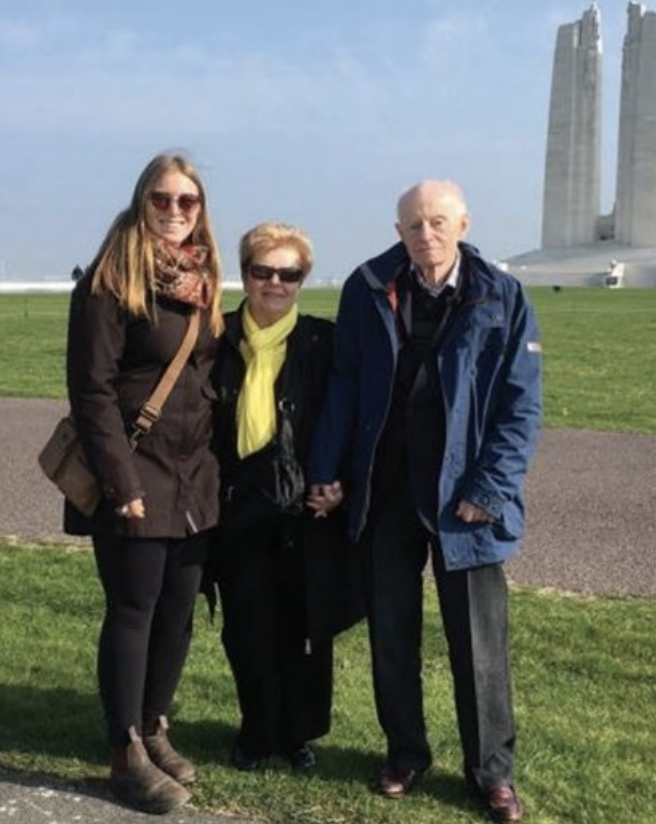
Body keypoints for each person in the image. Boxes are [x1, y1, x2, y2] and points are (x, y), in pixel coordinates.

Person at [308, 180, 542, 822]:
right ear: (398, 230)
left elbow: (520, 407)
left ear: (463, 224)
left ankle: (491, 773)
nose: (425, 236)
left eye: (438, 222)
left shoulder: (501, 294)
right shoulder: (368, 288)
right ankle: (405, 752)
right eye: (413, 225)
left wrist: (487, 490)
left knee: (480, 646)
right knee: (392, 634)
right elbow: (345, 384)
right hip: (386, 493)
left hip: (464, 500)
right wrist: (327, 470)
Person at [65, 153, 223, 814]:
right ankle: (125, 751)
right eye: (162, 200)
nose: (175, 213)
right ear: (141, 202)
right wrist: (119, 478)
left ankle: (156, 724)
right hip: (134, 467)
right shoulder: (109, 282)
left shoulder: (202, 279)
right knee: (134, 609)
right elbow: (91, 391)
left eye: (188, 202)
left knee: (179, 612)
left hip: (194, 475)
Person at [209, 221, 362, 773]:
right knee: (247, 627)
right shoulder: (217, 337)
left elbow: (350, 419)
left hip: (304, 509)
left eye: (288, 273)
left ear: (302, 278)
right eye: (263, 271)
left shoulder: (324, 340)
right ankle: (256, 732)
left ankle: (298, 733)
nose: (275, 282)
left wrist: (339, 480)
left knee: (302, 629)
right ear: (245, 274)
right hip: (236, 508)